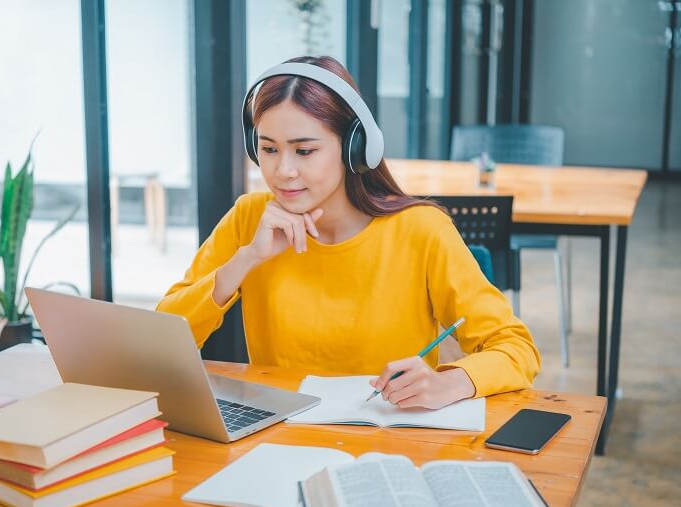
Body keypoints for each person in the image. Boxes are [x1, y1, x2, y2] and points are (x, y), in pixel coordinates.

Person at [157, 56, 540, 409]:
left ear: (355, 148)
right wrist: (245, 260)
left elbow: (515, 348)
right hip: (279, 432)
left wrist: (450, 382)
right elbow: (161, 342)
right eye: (268, 149)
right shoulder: (250, 219)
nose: (283, 171)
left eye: (304, 151)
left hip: (386, 440)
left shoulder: (421, 231)